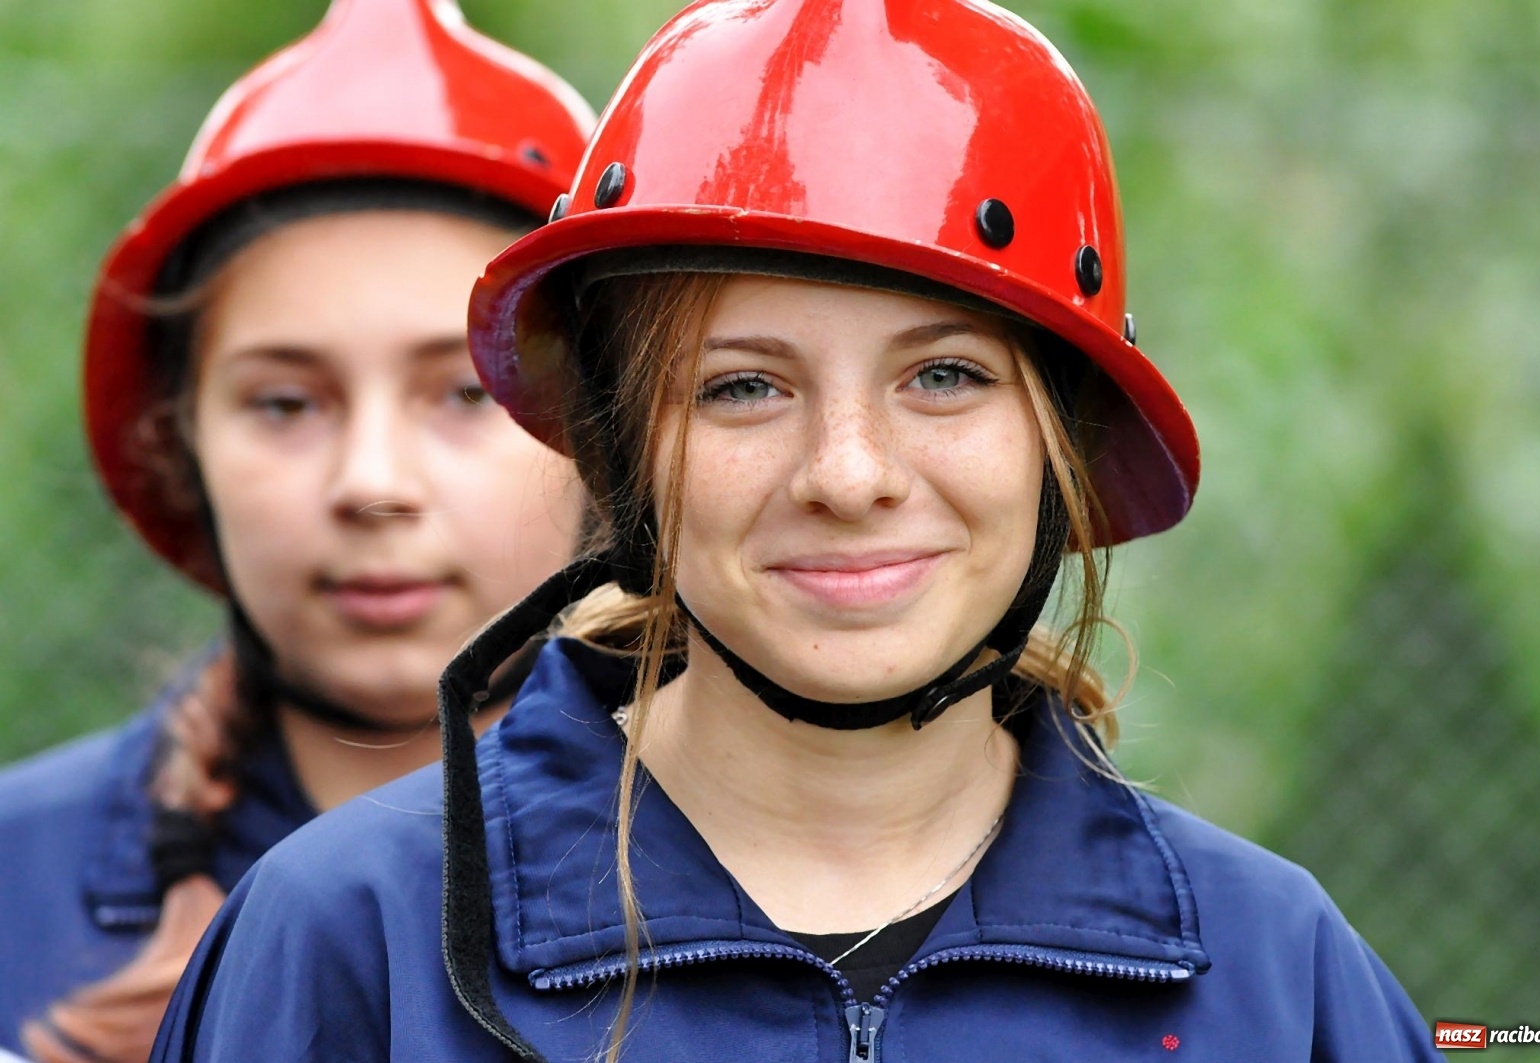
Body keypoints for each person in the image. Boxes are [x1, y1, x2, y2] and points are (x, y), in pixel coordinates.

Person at [150, 1, 1440, 1060]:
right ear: (624, 456)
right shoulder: (351, 942)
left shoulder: (1273, 977)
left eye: (944, 375)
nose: (847, 473)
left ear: (1059, 440)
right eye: (742, 387)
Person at [0, 1, 595, 1059]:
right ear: (178, 442)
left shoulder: (789, 861)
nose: (372, 483)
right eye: (285, 403)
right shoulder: (17, 879)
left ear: (609, 433)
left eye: (466, 392)